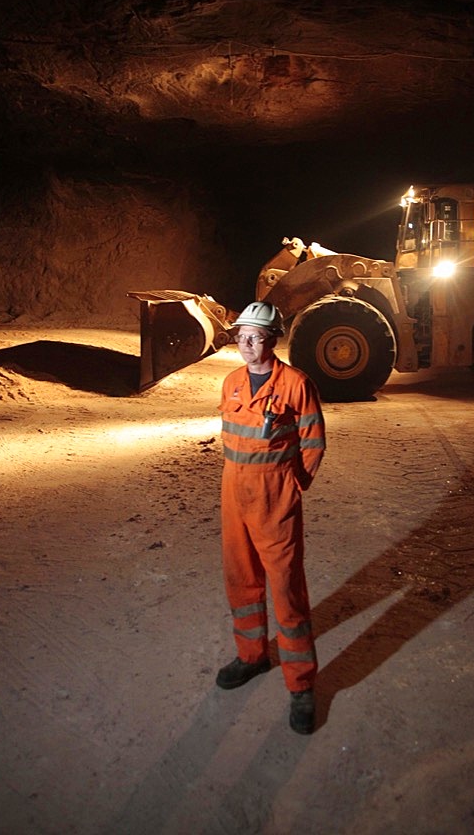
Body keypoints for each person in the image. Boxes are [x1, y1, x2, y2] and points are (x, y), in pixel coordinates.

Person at [216, 300, 326, 734]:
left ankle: (301, 686)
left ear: (272, 339)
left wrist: (294, 483)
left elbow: (313, 440)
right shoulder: (230, 383)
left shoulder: (297, 384)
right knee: (240, 578)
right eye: (241, 335)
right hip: (233, 493)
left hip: (275, 495)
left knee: (285, 588)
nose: (245, 343)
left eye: (255, 336)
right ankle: (252, 656)